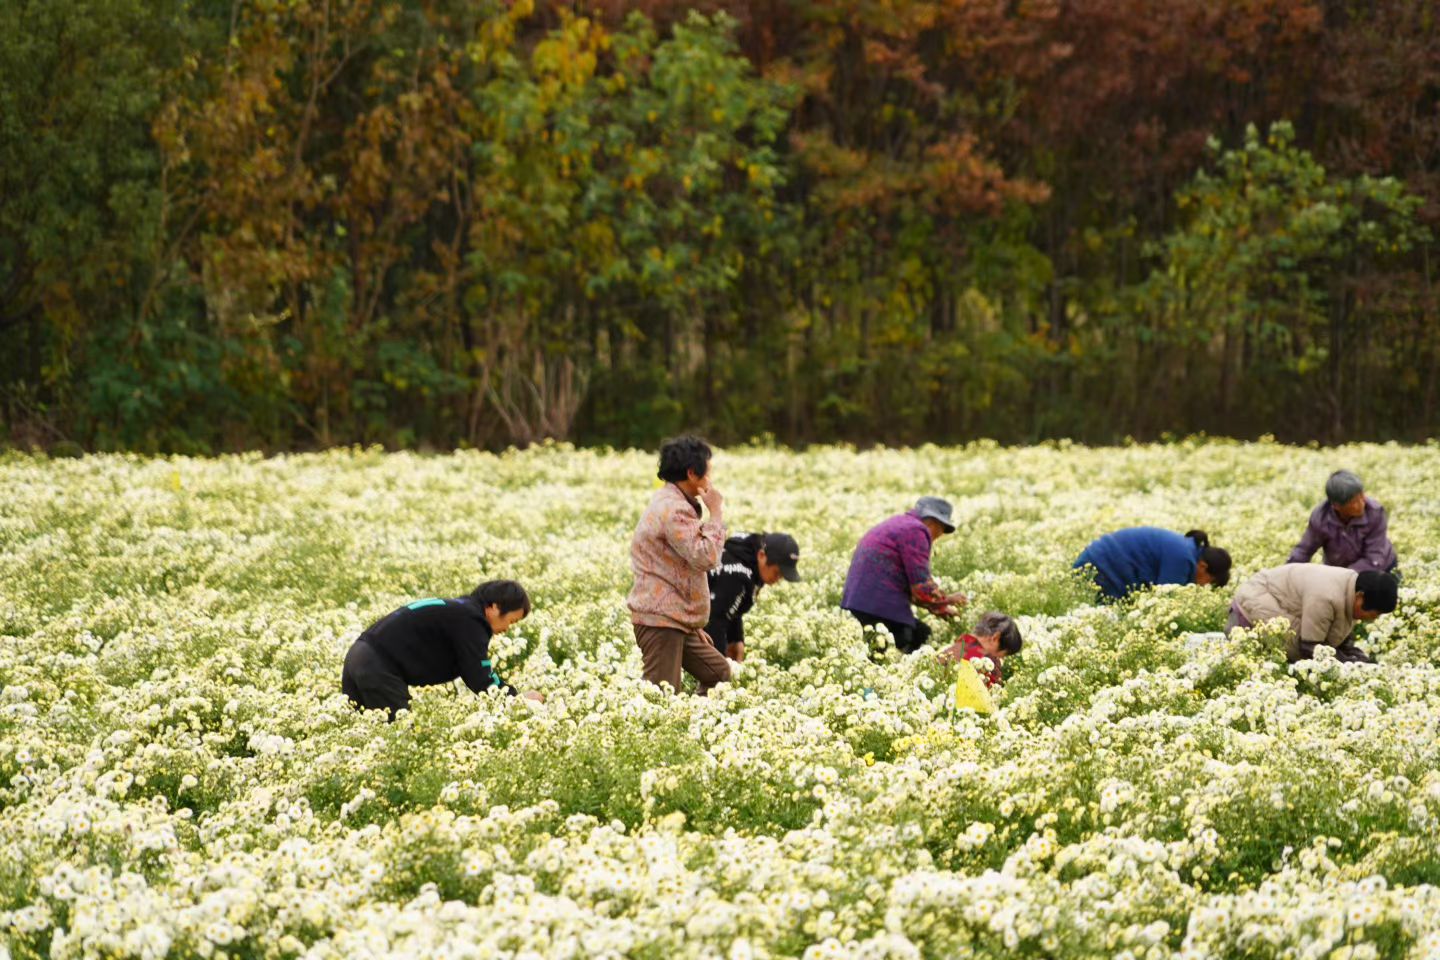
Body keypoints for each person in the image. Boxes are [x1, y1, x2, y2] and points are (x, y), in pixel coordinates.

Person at [341, 579, 541, 717]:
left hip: (358, 655)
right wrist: (517, 699)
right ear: (494, 607)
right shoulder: (472, 621)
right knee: (399, 738)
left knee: (360, 729)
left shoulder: (461, 610)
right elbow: (479, 677)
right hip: (378, 666)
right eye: (511, 621)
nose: (507, 629)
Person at [628, 435, 732, 695]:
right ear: (691, 473)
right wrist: (716, 513)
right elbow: (706, 557)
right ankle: (663, 735)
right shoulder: (674, 510)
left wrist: (692, 626)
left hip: (676, 620)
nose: (711, 479)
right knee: (662, 699)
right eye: (708, 472)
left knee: (718, 675)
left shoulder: (671, 502)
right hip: (661, 621)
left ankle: (694, 729)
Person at [841, 496, 968, 653]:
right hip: (879, 605)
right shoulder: (916, 531)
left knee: (919, 633)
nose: (940, 535)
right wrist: (946, 601)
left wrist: (940, 607)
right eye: (942, 529)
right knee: (910, 640)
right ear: (934, 522)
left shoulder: (899, 523)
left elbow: (916, 590)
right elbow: (921, 586)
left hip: (859, 601)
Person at [1227, 564, 1398, 663]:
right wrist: (1349, 664)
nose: (1372, 619)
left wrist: (1360, 660)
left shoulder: (1350, 586)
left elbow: (1338, 637)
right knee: (1295, 645)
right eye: (1374, 613)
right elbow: (1310, 648)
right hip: (1251, 602)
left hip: (1274, 595)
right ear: (1360, 596)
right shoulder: (1327, 596)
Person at [705, 532, 802, 662]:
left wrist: (736, 639)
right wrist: (721, 668)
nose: (777, 579)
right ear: (762, 556)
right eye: (777, 573)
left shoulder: (750, 561)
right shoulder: (738, 574)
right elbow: (716, 619)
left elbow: (733, 605)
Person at [1073, 527, 1231, 601]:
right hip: (1099, 566)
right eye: (1209, 582)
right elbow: (1163, 601)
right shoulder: (1183, 559)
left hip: (1099, 562)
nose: (1202, 587)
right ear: (1203, 567)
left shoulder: (1185, 550)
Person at [1288, 470, 1398, 575]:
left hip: (1380, 568)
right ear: (1336, 506)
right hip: (1340, 574)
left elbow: (1374, 557)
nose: (1361, 503)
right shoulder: (1321, 518)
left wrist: (1342, 577)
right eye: (1354, 501)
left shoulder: (1375, 512)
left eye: (1362, 496)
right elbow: (1304, 550)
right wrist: (1286, 573)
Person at [938, 612, 1023, 687]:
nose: (1000, 658)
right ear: (995, 638)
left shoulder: (960, 643)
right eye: (1002, 654)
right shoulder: (985, 660)